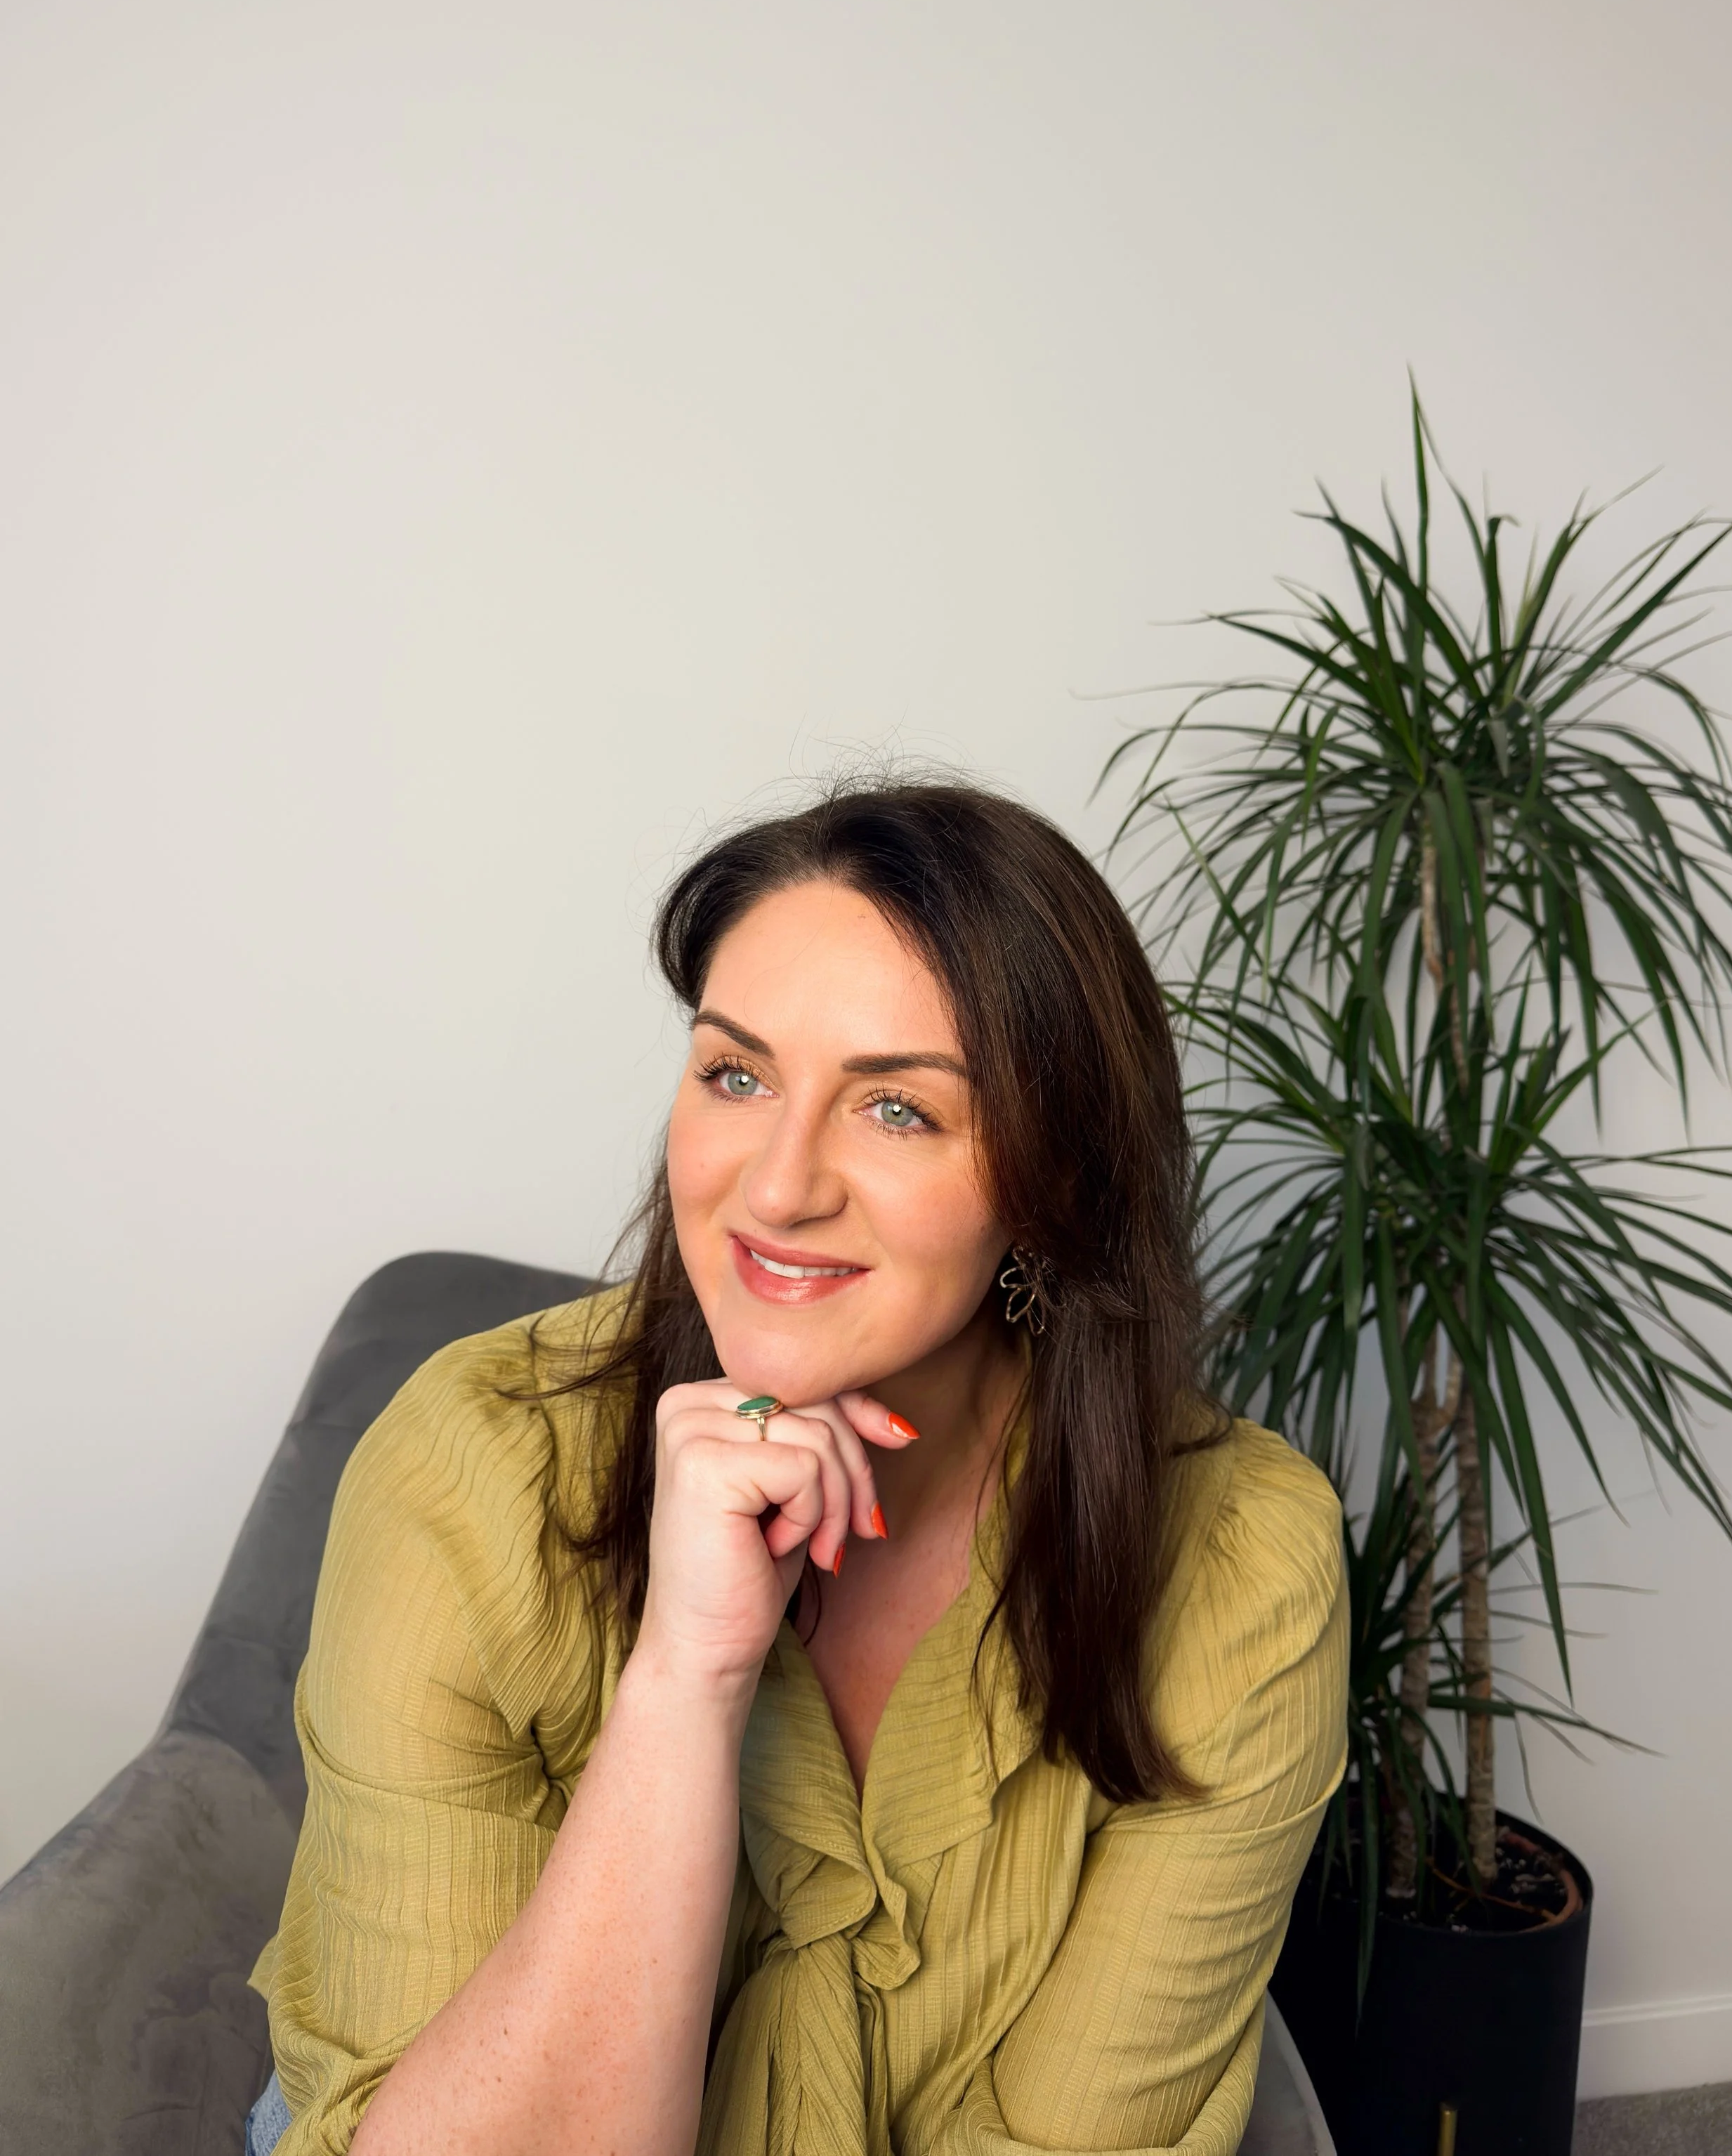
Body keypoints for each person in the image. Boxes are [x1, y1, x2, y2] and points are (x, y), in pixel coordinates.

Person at [246, 779, 1346, 2156]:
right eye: (735, 1072)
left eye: (895, 1110)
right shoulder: (470, 1465)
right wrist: (685, 1680)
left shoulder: (1241, 1558)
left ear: (1052, 1183)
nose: (774, 1187)